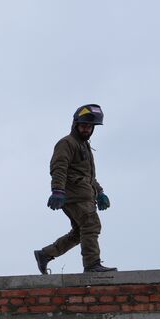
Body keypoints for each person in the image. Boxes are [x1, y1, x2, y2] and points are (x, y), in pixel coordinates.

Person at [35, 103, 117, 274]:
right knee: (91, 225)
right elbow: (58, 168)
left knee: (80, 232)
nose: (87, 129)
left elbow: (88, 176)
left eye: (90, 126)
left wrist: (100, 192)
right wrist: (57, 190)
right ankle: (92, 265)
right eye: (84, 125)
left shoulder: (84, 146)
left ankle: (45, 254)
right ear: (76, 124)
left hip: (84, 194)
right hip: (73, 195)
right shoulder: (67, 143)